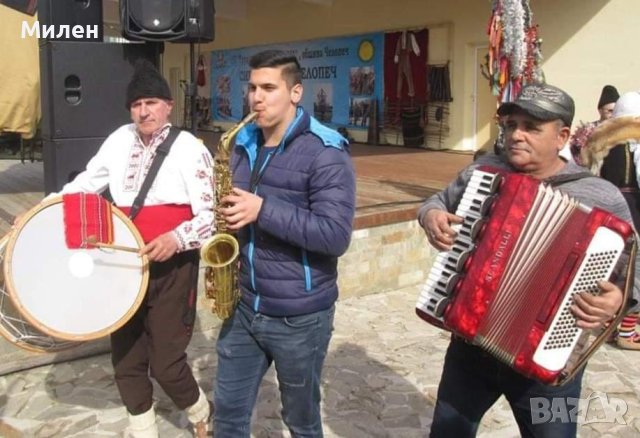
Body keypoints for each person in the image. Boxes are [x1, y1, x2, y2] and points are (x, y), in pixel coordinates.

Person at [418, 83, 639, 437]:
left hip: (550, 365)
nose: (516, 135)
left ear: (562, 136)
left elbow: (633, 271)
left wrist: (618, 300)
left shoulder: (600, 195)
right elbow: (437, 203)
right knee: (448, 432)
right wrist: (431, 217)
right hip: (471, 351)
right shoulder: (483, 173)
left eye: (532, 127)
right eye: (511, 125)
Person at [33, 60, 214, 437]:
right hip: (123, 264)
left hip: (173, 266)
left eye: (151, 102)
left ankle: (199, 411)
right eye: (136, 105)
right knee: (127, 358)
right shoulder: (119, 139)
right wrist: (38, 213)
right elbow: (85, 184)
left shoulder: (190, 149)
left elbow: (210, 216)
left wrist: (175, 239)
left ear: (168, 105)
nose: (143, 111)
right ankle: (143, 428)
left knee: (166, 362)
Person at [213, 49, 356, 437]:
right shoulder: (241, 142)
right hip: (244, 305)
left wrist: (262, 210)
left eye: (269, 88)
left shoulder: (326, 152)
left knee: (301, 420)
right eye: (253, 88)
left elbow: (334, 235)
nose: (256, 98)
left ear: (295, 93)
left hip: (300, 316)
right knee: (226, 414)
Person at [584, 90, 640, 350]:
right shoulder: (633, 143)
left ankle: (608, 324)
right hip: (631, 209)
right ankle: (627, 331)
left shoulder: (600, 141)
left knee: (612, 266)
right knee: (635, 270)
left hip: (605, 209)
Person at [569, 84, 620, 164]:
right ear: (600, 110)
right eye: (610, 111)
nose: (613, 114)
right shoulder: (587, 131)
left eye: (616, 111)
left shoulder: (622, 131)